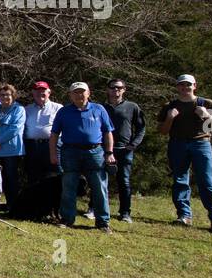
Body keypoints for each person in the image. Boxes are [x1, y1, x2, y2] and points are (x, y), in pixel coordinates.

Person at [157, 74, 212, 233]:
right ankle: (184, 216)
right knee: (180, 180)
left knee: (207, 182)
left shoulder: (205, 103)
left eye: (188, 85)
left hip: (201, 144)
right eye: (181, 85)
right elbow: (162, 131)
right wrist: (170, 118)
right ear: (177, 87)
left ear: (195, 86)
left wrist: (207, 116)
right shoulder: (170, 106)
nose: (185, 88)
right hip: (177, 144)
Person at [50, 82, 115, 232]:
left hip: (95, 153)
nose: (79, 95)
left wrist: (109, 152)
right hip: (70, 152)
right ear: (71, 95)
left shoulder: (99, 109)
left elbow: (107, 132)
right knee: (69, 187)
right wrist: (53, 154)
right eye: (76, 92)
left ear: (88, 93)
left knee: (99, 188)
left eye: (82, 92)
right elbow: (54, 135)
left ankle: (102, 222)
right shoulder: (64, 112)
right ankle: (67, 219)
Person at [103, 79, 145, 224]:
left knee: (124, 181)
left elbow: (141, 127)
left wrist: (133, 144)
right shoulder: (101, 108)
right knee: (100, 180)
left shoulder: (132, 107)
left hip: (124, 149)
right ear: (108, 90)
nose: (116, 90)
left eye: (119, 88)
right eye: (113, 87)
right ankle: (94, 209)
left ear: (124, 90)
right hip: (104, 149)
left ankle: (125, 212)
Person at [0, 84, 24, 213]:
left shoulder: (18, 110)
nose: (5, 97)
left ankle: (13, 205)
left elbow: (15, 129)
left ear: (13, 96)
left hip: (11, 150)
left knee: (11, 179)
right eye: (2, 95)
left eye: (8, 94)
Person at [22, 80, 62, 185]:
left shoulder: (58, 108)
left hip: (52, 145)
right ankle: (36, 201)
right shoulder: (26, 109)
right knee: (33, 176)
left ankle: (55, 201)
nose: (40, 93)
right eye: (37, 91)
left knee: (55, 175)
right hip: (32, 146)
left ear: (49, 92)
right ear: (33, 93)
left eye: (43, 90)